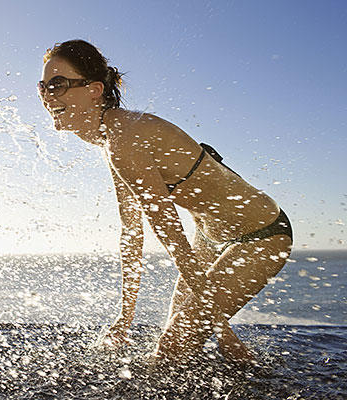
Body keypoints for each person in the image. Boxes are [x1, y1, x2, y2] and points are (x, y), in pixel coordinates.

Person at [38, 39, 293, 365]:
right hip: (209, 235)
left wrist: (222, 330)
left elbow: (171, 235)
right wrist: (124, 318)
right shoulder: (111, 138)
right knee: (176, 340)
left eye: (57, 84)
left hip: (261, 233)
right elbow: (131, 234)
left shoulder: (124, 139)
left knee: (175, 344)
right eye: (43, 86)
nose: (47, 95)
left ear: (93, 89)